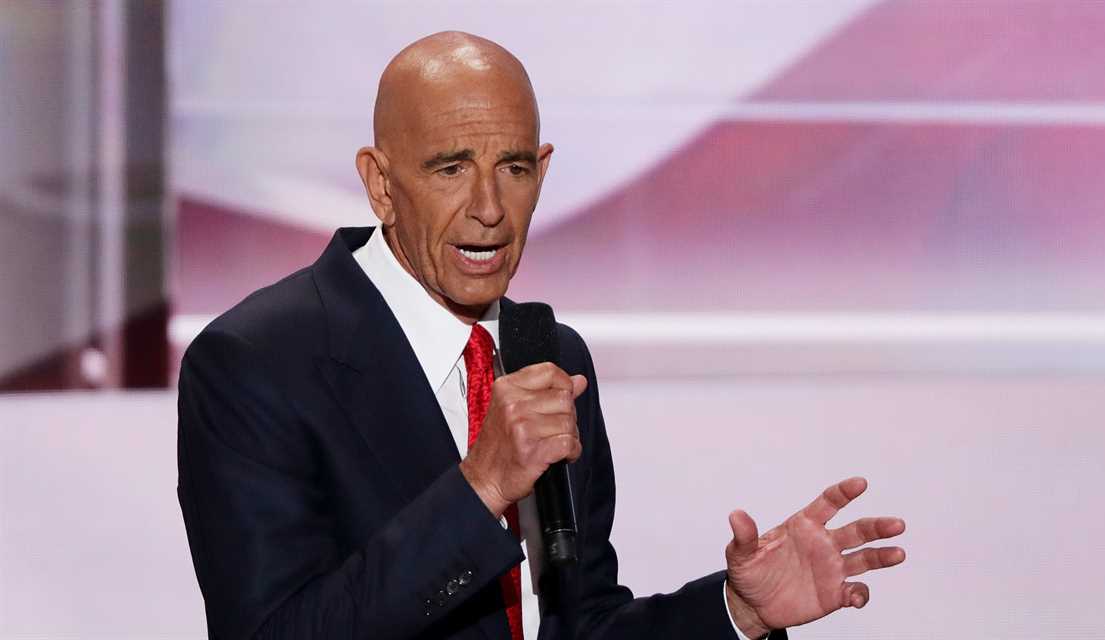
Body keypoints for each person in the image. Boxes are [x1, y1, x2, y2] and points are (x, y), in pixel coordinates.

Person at [176, 31, 906, 640]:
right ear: (379, 183)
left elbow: (578, 622)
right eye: (451, 168)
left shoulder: (549, 354)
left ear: (544, 171)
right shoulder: (256, 364)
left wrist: (736, 611)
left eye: (514, 167)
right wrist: (481, 486)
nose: (489, 208)